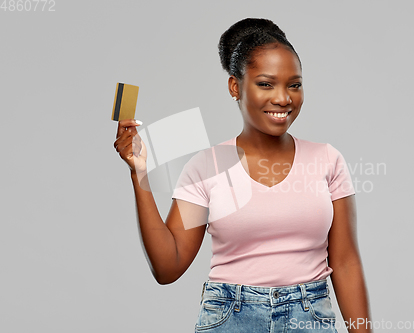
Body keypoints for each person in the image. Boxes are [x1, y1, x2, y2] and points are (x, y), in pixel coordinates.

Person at [114, 18, 372, 333]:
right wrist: (139, 173)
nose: (283, 98)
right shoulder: (207, 166)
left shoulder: (327, 160)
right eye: (266, 83)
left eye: (294, 84)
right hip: (230, 319)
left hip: (309, 319)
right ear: (235, 86)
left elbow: (346, 264)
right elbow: (168, 267)